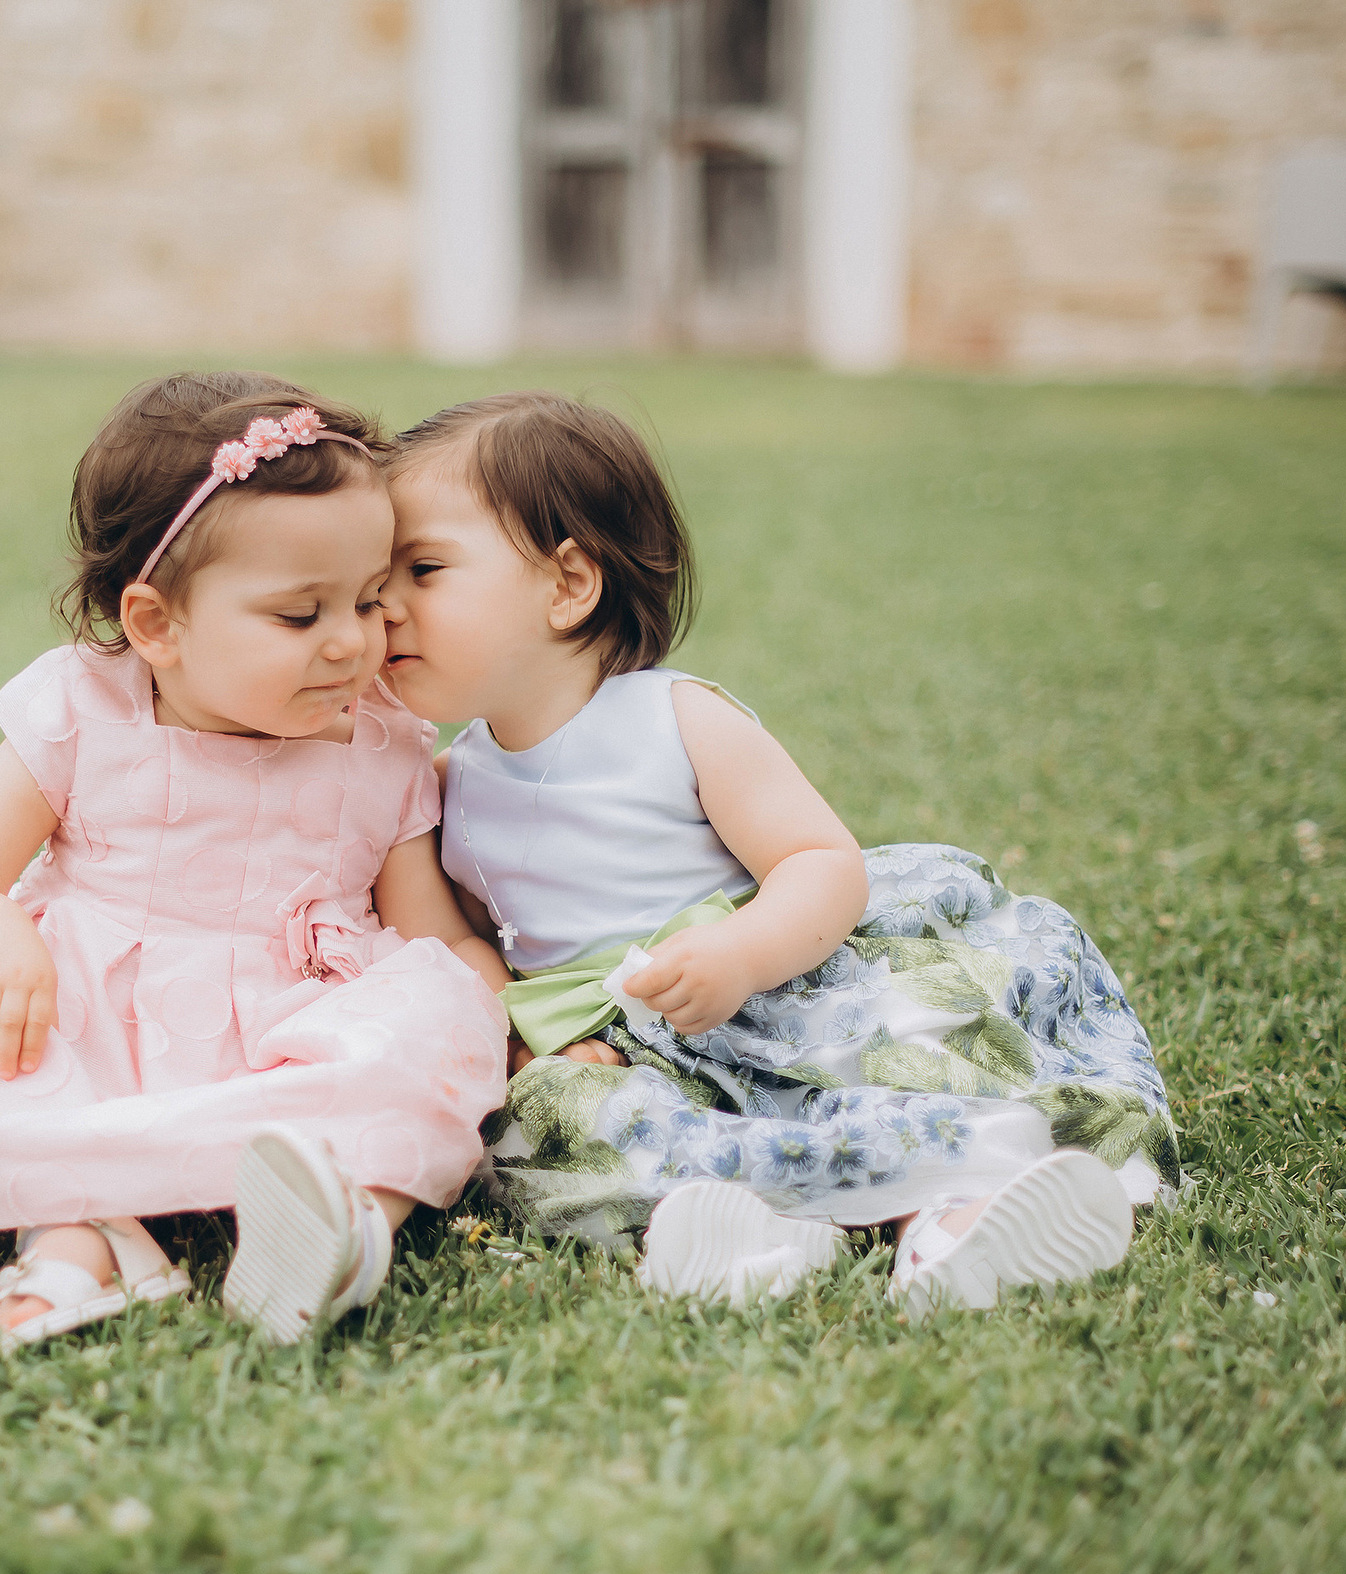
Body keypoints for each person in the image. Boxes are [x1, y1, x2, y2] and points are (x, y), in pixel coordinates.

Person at [377, 392, 1179, 1318]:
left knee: (888, 1068)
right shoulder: (451, 782)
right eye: (377, 582)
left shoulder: (675, 723)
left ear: (568, 585)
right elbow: (467, 955)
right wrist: (530, 1040)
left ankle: (959, 1214)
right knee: (547, 1133)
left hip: (764, 1007)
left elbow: (821, 862)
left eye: (424, 569)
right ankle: (744, 1225)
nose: (385, 606)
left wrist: (739, 956)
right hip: (620, 1053)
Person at [0, 372, 507, 1348]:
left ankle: (350, 1224)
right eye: (300, 616)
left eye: (368, 598)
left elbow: (428, 933)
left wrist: (495, 1021)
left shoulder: (384, 745)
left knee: (437, 1010)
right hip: (97, 1011)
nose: (353, 643)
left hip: (295, 1024)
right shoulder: (78, 714)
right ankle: (79, 1241)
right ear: (156, 624)